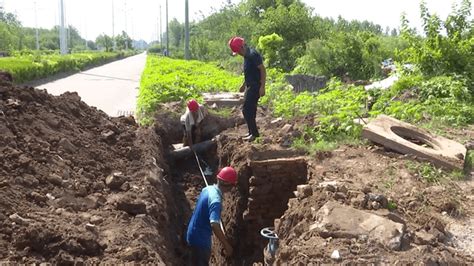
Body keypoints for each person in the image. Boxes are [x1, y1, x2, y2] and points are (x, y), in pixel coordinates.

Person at [186, 167, 237, 265]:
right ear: (230, 186)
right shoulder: (216, 201)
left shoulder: (207, 189)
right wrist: (226, 245)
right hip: (200, 241)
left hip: (192, 233)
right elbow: (214, 224)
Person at [228, 36, 267, 142]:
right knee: (249, 110)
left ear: (241, 47)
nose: (238, 54)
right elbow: (250, 72)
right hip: (250, 86)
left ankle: (254, 134)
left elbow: (262, 70)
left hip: (255, 87)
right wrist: (243, 84)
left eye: (238, 52)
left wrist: (263, 87)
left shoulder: (253, 55)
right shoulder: (246, 56)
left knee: (247, 110)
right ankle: (252, 132)